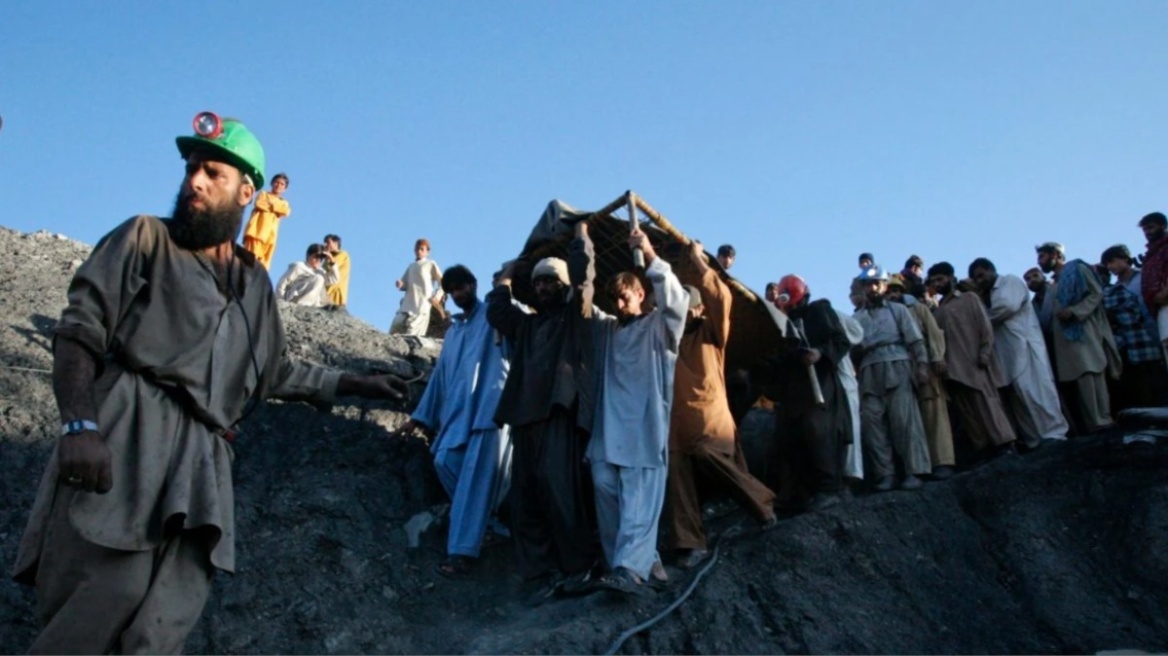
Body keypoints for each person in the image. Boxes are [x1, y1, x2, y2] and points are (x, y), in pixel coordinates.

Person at [12, 114, 408, 654]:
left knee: (161, 629)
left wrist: (358, 383)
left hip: (202, 468)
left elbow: (276, 373)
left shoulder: (254, 285)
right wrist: (79, 425)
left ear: (247, 191)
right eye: (191, 169)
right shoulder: (145, 238)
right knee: (99, 606)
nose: (194, 181)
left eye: (212, 173)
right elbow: (80, 330)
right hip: (128, 436)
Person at [579, 223, 688, 595]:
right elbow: (583, 302)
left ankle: (631, 568)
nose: (619, 303)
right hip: (610, 429)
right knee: (605, 489)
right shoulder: (609, 331)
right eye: (615, 298)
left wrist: (652, 255)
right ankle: (626, 563)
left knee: (639, 499)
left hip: (644, 426)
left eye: (625, 296)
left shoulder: (660, 328)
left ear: (642, 293)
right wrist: (583, 247)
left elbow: (676, 302)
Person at [486, 244, 599, 604]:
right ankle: (541, 572)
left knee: (559, 489)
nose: (543, 288)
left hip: (558, 415)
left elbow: (584, 287)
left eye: (550, 281)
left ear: (563, 285)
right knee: (526, 496)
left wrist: (582, 243)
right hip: (525, 417)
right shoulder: (529, 324)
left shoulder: (574, 319)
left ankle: (578, 567)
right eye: (538, 284)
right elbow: (499, 312)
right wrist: (505, 278)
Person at [661, 240, 776, 570]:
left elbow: (721, 298)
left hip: (709, 416)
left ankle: (763, 503)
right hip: (675, 419)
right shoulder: (667, 341)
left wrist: (699, 263)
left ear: (696, 309)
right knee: (678, 475)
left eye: (685, 305)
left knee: (709, 455)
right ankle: (690, 542)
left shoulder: (710, 333)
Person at [403, 265, 512, 578]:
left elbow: (508, 323)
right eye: (453, 292)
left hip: (489, 409)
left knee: (475, 479)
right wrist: (419, 418)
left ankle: (461, 551)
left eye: (462, 288)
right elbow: (438, 378)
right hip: (458, 414)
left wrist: (504, 281)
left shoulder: (493, 315)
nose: (459, 295)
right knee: (444, 460)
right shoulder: (454, 332)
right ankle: (490, 526)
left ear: (473, 285)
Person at [758, 274, 854, 509]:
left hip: (820, 386)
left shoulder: (820, 312)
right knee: (788, 436)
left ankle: (830, 488)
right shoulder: (782, 325)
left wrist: (820, 353)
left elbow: (841, 341)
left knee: (818, 431)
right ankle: (799, 491)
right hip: (794, 390)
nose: (793, 308)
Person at [969, 258, 1068, 448]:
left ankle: (1054, 434)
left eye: (981, 275)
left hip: (1025, 346)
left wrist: (980, 321)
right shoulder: (985, 295)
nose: (980, 280)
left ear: (991, 270)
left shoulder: (1009, 282)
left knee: (1037, 391)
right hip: (1006, 353)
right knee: (1019, 398)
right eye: (976, 279)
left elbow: (1006, 307)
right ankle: (1033, 440)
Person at [852, 265, 932, 491]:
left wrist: (923, 365)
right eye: (868, 284)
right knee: (873, 423)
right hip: (869, 370)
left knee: (905, 421)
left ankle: (914, 470)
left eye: (877, 283)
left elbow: (915, 339)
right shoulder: (857, 318)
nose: (873, 288)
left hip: (897, 363)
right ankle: (885, 474)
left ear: (885, 285)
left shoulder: (898, 310)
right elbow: (851, 351)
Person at [928, 263, 1018, 460]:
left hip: (975, 361)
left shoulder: (969, 298)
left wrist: (985, 352)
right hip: (953, 368)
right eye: (934, 281)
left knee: (987, 402)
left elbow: (985, 327)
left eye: (940, 279)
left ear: (951, 278)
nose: (937, 283)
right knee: (966, 409)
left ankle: (1005, 443)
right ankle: (983, 448)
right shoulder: (938, 311)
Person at [1037, 242, 1121, 433]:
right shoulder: (1054, 285)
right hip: (1064, 338)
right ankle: (1093, 424)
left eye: (1042, 256)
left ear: (1056, 255)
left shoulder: (1077, 268)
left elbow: (1096, 293)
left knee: (1091, 371)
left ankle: (1103, 420)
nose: (1040, 262)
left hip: (1083, 329)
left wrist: (1075, 311)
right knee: (1080, 377)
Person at [886, 274, 955, 479]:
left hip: (923, 367)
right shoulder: (884, 316)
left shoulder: (918, 309)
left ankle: (942, 461)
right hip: (898, 373)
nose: (893, 295)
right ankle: (919, 465)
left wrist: (936, 358)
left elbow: (934, 334)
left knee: (934, 414)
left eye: (897, 290)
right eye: (889, 292)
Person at [1100, 245, 1168, 410]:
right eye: (1107, 264)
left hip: (1158, 328)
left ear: (1125, 258)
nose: (1110, 267)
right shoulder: (1112, 290)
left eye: (1112, 261)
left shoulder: (1144, 277)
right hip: (1136, 342)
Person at [390, 238, 444, 336]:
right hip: (408, 304)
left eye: (422, 249)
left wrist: (437, 296)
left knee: (412, 334)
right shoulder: (411, 266)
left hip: (422, 305)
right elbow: (405, 283)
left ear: (427, 251)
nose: (419, 251)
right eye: (417, 249)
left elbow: (443, 283)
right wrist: (400, 284)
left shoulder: (430, 264)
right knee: (396, 326)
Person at [241, 172, 290, 269]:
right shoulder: (263, 194)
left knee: (263, 263)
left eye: (282, 184)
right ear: (271, 183)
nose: (278, 185)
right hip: (256, 232)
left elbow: (286, 211)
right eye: (276, 182)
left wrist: (272, 205)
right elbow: (259, 203)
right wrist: (275, 208)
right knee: (249, 258)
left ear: (285, 188)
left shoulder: (284, 202)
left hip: (270, 235)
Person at [1139, 212, 1168, 362]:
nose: (1148, 233)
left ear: (1163, 226)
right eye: (1145, 230)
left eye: (1151, 228)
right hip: (1160, 309)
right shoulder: (1151, 254)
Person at [275, 243, 338, 307]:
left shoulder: (320, 271)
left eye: (321, 258)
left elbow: (334, 280)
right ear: (308, 256)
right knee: (319, 278)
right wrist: (280, 302)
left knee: (321, 285)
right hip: (293, 298)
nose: (318, 260)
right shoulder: (299, 266)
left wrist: (332, 261)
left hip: (312, 302)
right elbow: (282, 282)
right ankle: (303, 306)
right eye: (316, 257)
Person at [324, 234, 352, 307]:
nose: (326, 245)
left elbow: (334, 264)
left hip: (336, 292)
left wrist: (328, 256)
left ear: (336, 243)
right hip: (328, 290)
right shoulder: (328, 257)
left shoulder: (342, 254)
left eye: (328, 242)